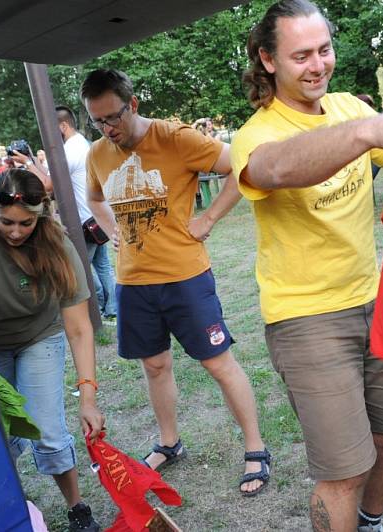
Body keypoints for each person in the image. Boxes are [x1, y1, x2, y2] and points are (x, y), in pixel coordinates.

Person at [230, 1, 383, 530]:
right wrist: (369, 132)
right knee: (343, 471)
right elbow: (275, 168)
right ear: (267, 60)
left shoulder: (351, 111)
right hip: (306, 319)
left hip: (380, 302)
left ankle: (371, 523)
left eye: (324, 50)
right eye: (301, 55)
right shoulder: (255, 134)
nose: (317, 65)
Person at [80, 68, 271, 496]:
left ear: (133, 105)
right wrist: (108, 225)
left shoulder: (175, 138)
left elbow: (239, 166)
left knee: (217, 363)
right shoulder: (97, 153)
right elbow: (93, 196)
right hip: (134, 281)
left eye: (113, 117)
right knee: (154, 364)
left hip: (185, 276)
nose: (108, 129)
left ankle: (256, 448)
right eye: (98, 121)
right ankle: (169, 442)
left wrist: (209, 217)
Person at [0, 169, 105, 531]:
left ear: (40, 214)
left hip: (38, 337)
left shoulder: (57, 243)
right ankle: (8, 504)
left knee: (46, 430)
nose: (14, 231)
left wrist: (88, 397)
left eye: (25, 223)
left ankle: (77, 507)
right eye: (5, 222)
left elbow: (78, 326)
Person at [55, 105, 117, 320]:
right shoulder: (83, 143)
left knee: (81, 267)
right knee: (102, 265)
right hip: (97, 216)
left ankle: (98, 306)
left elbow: (48, 185)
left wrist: (27, 163)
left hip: (84, 219)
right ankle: (113, 307)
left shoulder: (69, 149)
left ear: (63, 126)